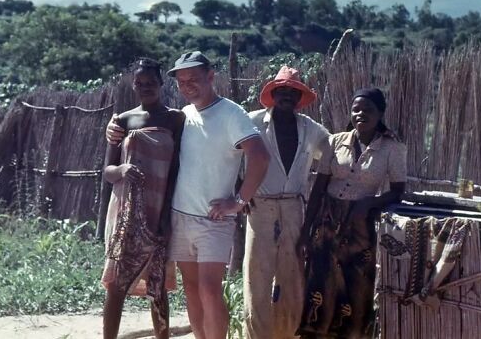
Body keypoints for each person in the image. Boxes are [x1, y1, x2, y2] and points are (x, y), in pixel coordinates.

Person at [107, 51, 270, 339]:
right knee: (192, 291)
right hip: (180, 217)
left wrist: (239, 201)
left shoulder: (231, 113)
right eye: (182, 81)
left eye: (194, 78)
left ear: (210, 76)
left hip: (213, 218)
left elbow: (259, 156)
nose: (188, 85)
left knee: (209, 289)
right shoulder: (184, 116)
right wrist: (111, 129)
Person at [296, 87, 407, 339]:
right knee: (319, 281)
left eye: (367, 110)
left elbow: (398, 191)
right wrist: (306, 231)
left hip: (361, 225)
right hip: (327, 223)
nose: (360, 114)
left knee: (356, 285)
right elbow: (318, 190)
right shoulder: (334, 142)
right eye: (356, 109)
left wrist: (371, 202)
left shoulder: (392, 148)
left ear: (380, 113)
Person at [244, 66, 331, 339]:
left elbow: (332, 155)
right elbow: (227, 156)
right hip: (259, 206)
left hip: (294, 207)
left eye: (292, 92)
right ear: (272, 94)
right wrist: (239, 190)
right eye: (281, 90)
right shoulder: (252, 123)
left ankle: (288, 334)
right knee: (256, 278)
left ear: (298, 97)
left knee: (292, 278)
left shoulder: (311, 130)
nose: (286, 96)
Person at [101, 58, 185, 339]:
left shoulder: (175, 119)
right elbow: (107, 172)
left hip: (159, 207)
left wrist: (166, 216)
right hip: (126, 212)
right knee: (117, 284)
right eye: (140, 83)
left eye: (151, 82)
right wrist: (122, 169)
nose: (145, 87)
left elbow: (175, 170)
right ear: (133, 85)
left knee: (157, 285)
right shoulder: (123, 120)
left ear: (161, 84)